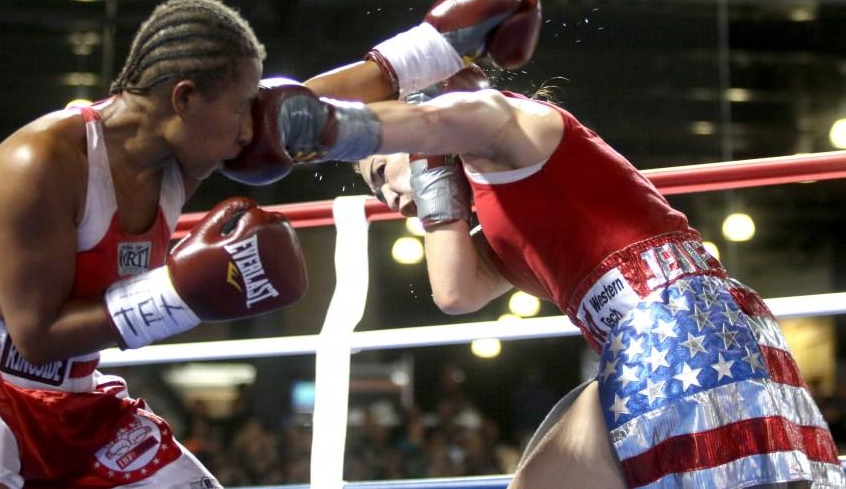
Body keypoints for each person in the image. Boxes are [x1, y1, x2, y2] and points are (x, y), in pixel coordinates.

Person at [0, 0, 540, 488]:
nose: (246, 126)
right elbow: (37, 336)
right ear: (183, 99)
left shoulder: (185, 150)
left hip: (77, 391)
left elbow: (298, 108)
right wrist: (179, 295)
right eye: (237, 108)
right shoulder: (40, 165)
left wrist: (440, 47)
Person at [234, 60, 844, 486]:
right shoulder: (502, 219)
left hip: (684, 326)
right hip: (642, 348)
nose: (386, 197)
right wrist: (428, 174)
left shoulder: (516, 128)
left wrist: (322, 120)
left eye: (379, 171)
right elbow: (456, 293)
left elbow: (446, 120)